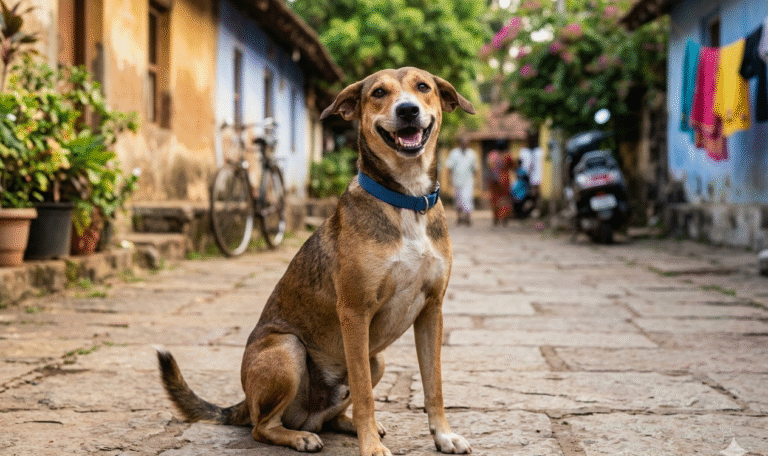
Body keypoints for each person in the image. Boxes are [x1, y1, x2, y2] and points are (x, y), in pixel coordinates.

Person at [445, 137, 477, 226]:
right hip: (457, 180)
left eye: (466, 142)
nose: (465, 144)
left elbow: (474, 169)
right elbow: (449, 168)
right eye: (463, 142)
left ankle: (467, 218)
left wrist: (476, 181)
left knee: (467, 198)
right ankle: (459, 218)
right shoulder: (454, 153)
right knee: (458, 200)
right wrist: (449, 179)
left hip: (468, 181)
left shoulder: (472, 154)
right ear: (460, 143)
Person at [486, 149, 516, 225]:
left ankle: (496, 218)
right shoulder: (507, 156)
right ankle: (504, 218)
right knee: (505, 199)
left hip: (493, 182)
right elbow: (513, 166)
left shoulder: (492, 155)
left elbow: (489, 167)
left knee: (495, 200)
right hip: (504, 181)